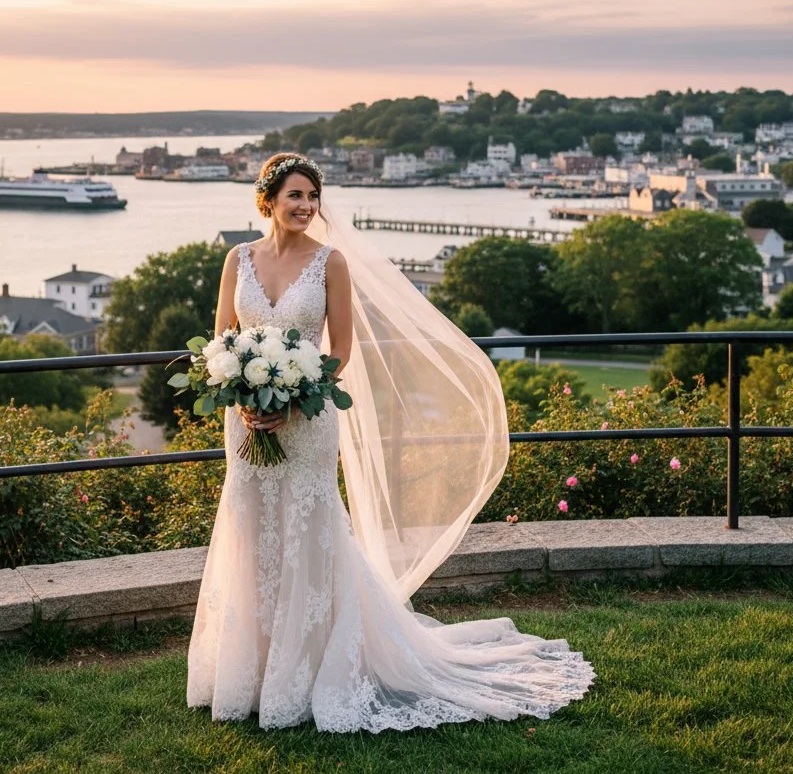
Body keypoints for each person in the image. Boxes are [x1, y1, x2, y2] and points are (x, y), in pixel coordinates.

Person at [186, 152, 595, 732]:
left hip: (307, 417)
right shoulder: (238, 259)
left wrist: (293, 393)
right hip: (246, 421)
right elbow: (223, 336)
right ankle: (249, 672)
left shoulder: (331, 263)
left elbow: (342, 349)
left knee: (308, 530)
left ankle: (306, 669)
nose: (305, 207)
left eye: (312, 197)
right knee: (251, 529)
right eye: (295, 196)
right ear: (268, 200)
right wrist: (245, 394)